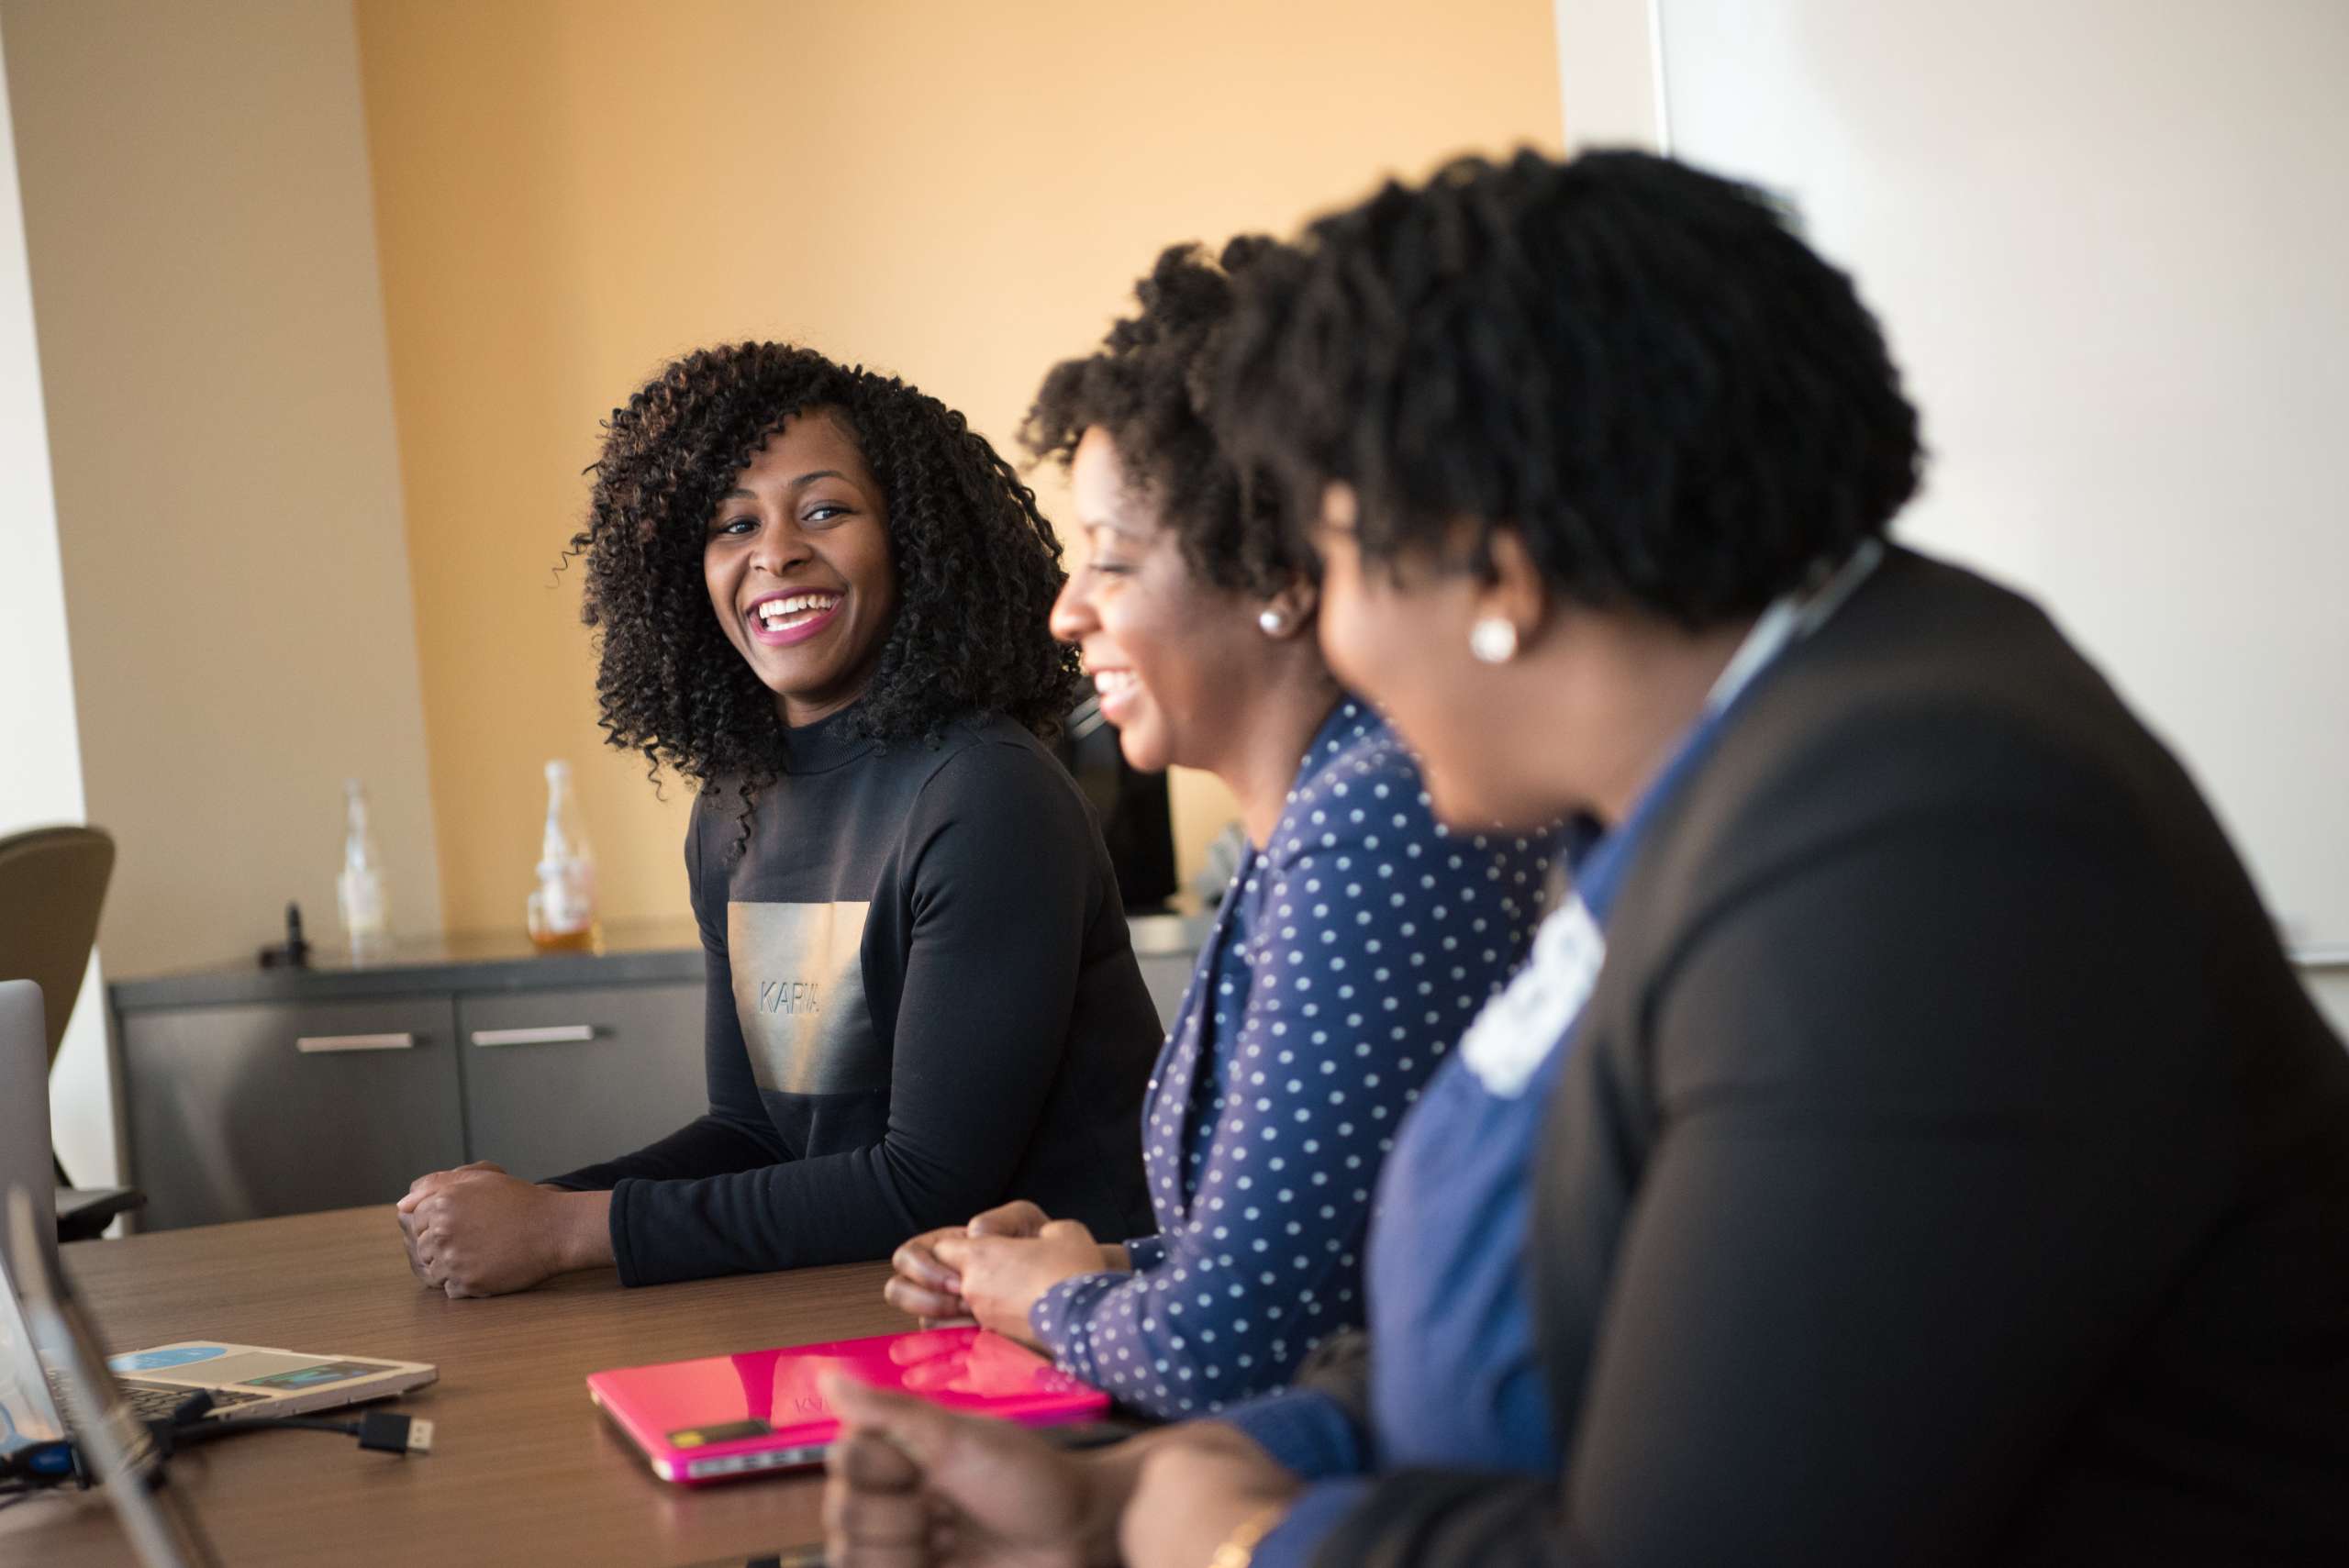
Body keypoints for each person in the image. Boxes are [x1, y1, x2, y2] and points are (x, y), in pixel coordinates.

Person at [818, 151, 2349, 1565]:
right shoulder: (1735, 769)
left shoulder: (1923, 837)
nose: (1336, 637)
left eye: (1338, 559)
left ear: (1494, 568)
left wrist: (1246, 1540)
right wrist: (1135, 1485)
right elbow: (1537, 1313)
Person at [880, 241, 1553, 1418]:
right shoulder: (1316, 817)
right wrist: (1075, 1270)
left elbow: (1229, 1350)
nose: (1066, 608)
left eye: (1112, 560)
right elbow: (1313, 1264)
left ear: (1277, 574)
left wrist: (1051, 1303)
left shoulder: (1374, 824)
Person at [396, 342, 1163, 1296]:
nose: (775, 551)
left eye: (825, 509)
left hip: (1065, 1332)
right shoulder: (733, 806)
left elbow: (924, 1181)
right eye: (732, 524)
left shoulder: (985, 791)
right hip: (856, 1299)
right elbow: (755, 1133)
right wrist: (529, 1206)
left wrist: (562, 1229)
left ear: (913, 540)